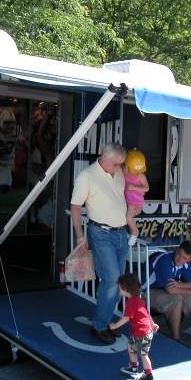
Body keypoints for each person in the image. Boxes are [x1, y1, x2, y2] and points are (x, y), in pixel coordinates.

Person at [70, 143, 129, 344]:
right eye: (115, 164)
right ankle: (100, 325)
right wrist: (79, 236)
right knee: (111, 278)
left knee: (117, 282)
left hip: (121, 233)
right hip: (101, 233)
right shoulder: (86, 176)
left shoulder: (118, 170)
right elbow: (75, 206)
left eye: (120, 164)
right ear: (104, 157)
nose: (118, 168)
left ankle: (105, 323)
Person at [148, 241, 191, 346]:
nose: (180, 259)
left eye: (185, 258)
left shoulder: (186, 264)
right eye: (179, 255)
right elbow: (170, 290)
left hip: (164, 290)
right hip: (147, 292)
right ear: (177, 250)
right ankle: (176, 339)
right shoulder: (164, 260)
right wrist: (189, 289)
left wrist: (179, 285)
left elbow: (190, 284)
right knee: (176, 298)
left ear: (190, 259)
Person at [109, 273, 160, 380]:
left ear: (125, 288)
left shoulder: (131, 302)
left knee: (143, 354)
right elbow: (146, 313)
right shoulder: (138, 300)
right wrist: (153, 323)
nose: (119, 291)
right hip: (142, 331)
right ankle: (133, 367)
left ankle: (148, 374)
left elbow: (126, 318)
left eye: (120, 288)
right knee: (131, 346)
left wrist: (114, 326)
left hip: (142, 333)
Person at [123, 148, 149, 246]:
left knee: (128, 217)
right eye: (134, 170)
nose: (136, 172)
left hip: (135, 201)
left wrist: (133, 187)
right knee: (124, 217)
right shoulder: (125, 172)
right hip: (126, 200)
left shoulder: (141, 176)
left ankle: (134, 232)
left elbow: (146, 188)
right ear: (126, 166)